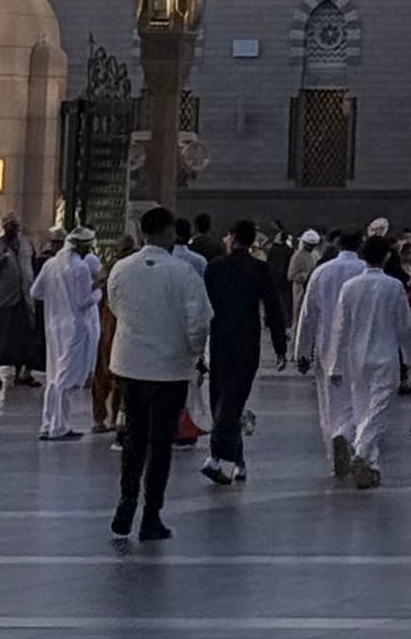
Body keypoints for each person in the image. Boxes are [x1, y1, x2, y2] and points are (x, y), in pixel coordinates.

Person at [103, 209, 211, 543]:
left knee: (133, 437)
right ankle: (151, 515)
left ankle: (126, 500)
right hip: (169, 368)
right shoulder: (183, 273)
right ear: (167, 232)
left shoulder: (122, 269)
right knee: (160, 443)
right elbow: (199, 321)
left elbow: (115, 306)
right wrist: (193, 354)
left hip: (131, 365)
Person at [323, 233, 411, 488]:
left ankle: (370, 464)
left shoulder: (350, 287)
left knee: (363, 408)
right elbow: (405, 326)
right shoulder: (394, 286)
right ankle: (362, 452)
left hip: (356, 357)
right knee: (378, 408)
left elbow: (340, 328)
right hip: (385, 355)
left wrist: (335, 364)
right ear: (386, 256)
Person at [197, 221, 286, 481]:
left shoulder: (214, 268)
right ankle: (236, 459)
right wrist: (280, 346)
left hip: (220, 339)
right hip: (247, 340)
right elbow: (273, 308)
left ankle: (215, 456)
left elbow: (205, 308)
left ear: (232, 238)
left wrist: (197, 347)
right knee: (234, 399)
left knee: (221, 398)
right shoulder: (259, 269)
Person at [290, 225, 371, 473]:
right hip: (360, 344)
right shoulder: (365, 272)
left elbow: (308, 313)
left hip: (327, 346)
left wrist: (301, 351)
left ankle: (335, 438)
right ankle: (354, 441)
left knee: (330, 401)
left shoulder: (322, 272)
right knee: (359, 398)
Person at [34, 231, 102, 444]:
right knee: (64, 377)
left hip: (54, 327)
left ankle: (48, 423)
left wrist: (58, 298)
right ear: (80, 247)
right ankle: (58, 426)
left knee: (54, 375)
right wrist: (98, 289)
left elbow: (35, 292)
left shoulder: (51, 265)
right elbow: (84, 301)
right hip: (75, 328)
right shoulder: (79, 268)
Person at [0, 219, 42, 391]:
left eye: (16, 226)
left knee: (23, 338)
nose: (14, 229)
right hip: (1, 300)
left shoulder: (27, 245)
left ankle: (21, 373)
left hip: (23, 299)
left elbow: (33, 268)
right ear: (4, 228)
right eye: (11, 226)